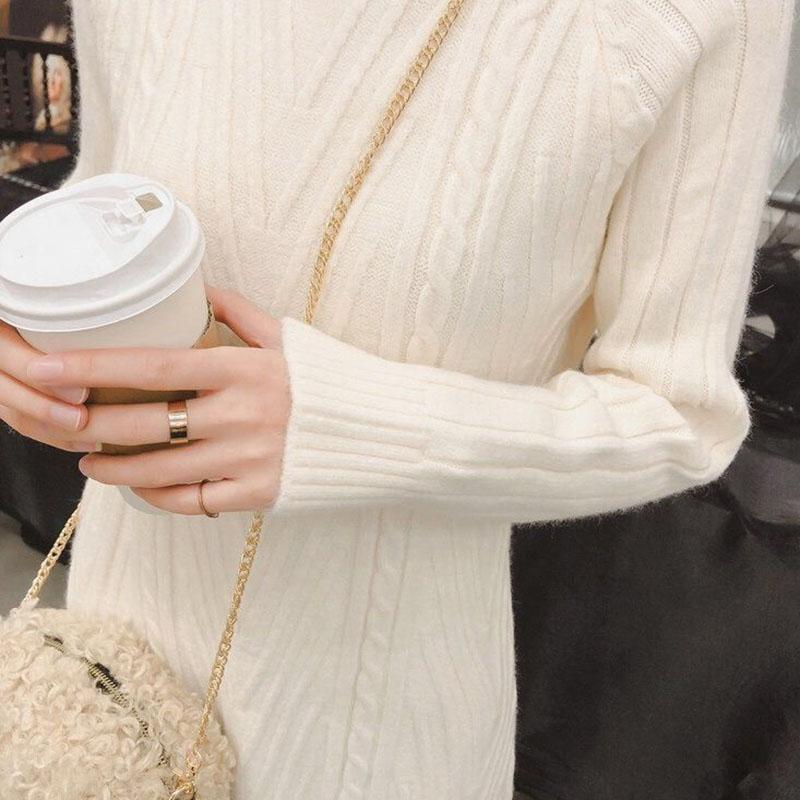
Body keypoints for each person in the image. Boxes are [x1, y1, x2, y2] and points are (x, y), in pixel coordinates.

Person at [0, 2, 794, 797]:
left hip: (373, 724)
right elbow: (101, 199)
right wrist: (34, 346)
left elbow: (678, 416)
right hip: (107, 679)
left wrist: (346, 426)